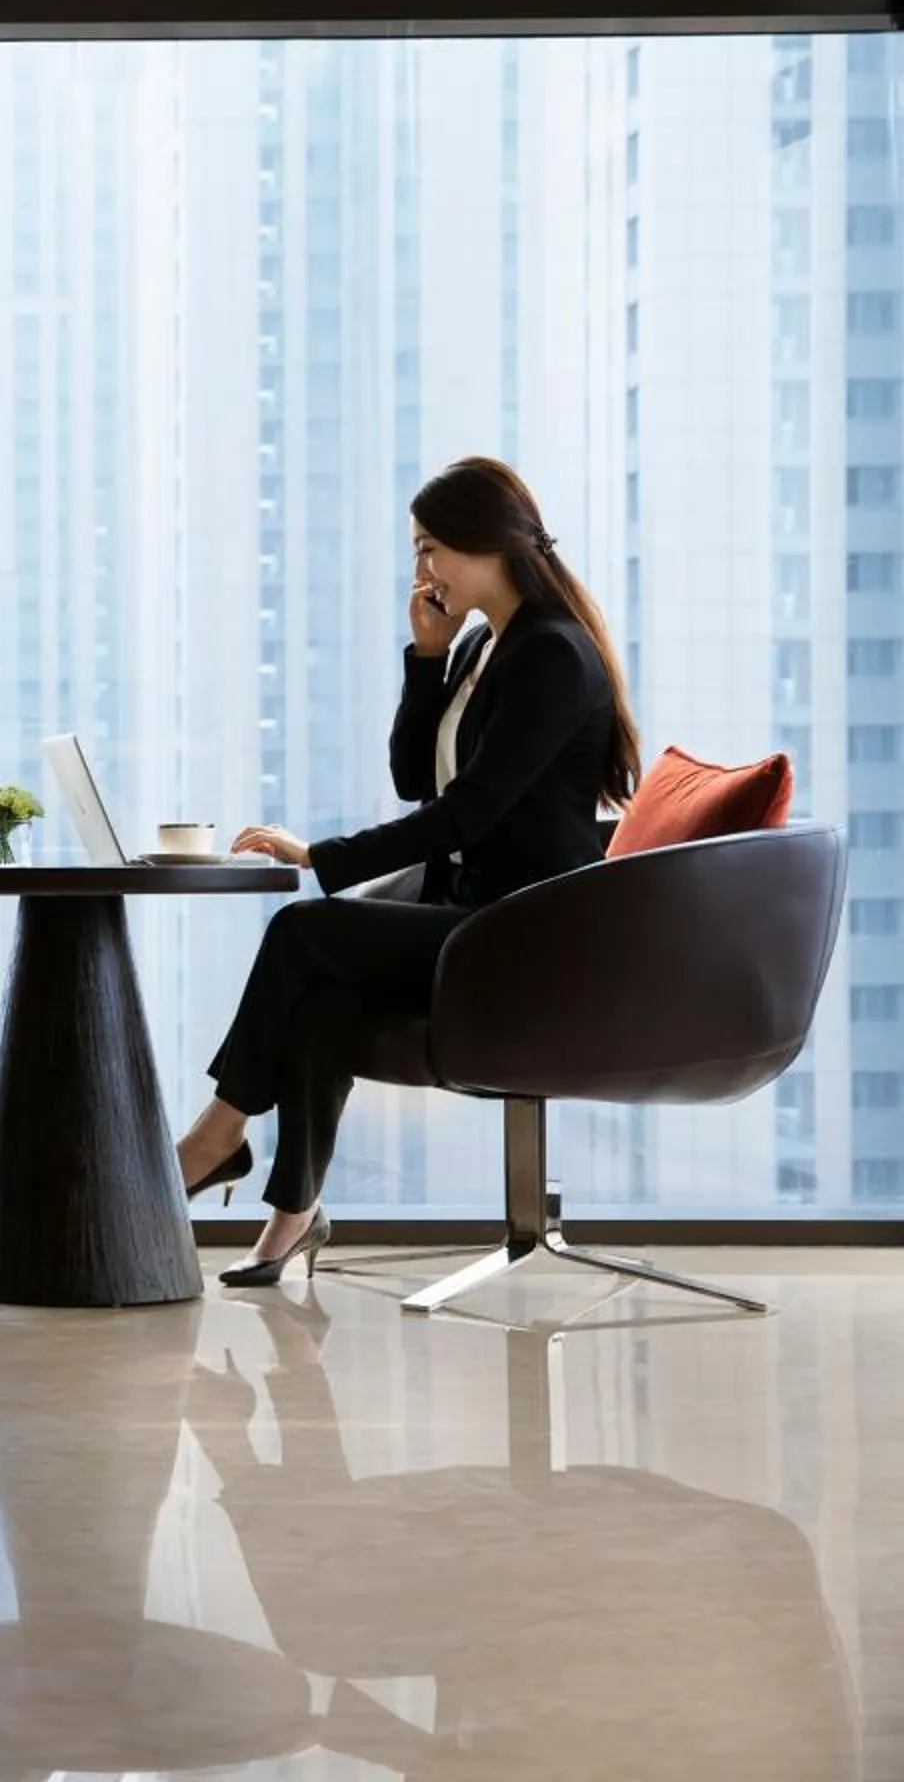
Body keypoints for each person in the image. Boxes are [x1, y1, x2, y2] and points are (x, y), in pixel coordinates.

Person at [171, 455, 641, 1286]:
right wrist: (426, 660)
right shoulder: (482, 651)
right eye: (418, 551)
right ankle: (293, 1219)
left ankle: (220, 1133)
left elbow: (468, 814)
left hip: (527, 933)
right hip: (473, 913)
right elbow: (417, 780)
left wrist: (322, 857)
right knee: (321, 992)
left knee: (303, 929)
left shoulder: (552, 656)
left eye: (433, 549)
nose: (422, 571)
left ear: (488, 542)